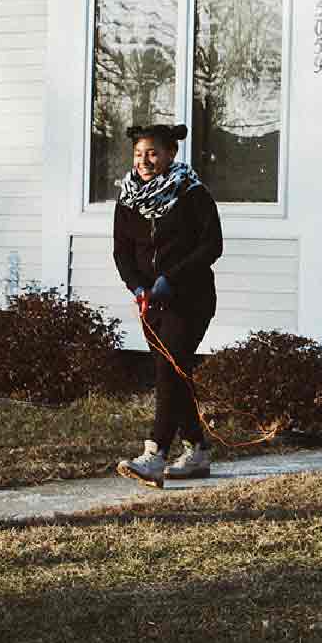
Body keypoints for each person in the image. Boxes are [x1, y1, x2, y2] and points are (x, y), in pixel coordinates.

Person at [111, 122, 224, 488]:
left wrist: (170, 278)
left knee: (167, 372)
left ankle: (154, 454)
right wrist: (138, 286)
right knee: (175, 372)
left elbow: (212, 246)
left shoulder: (192, 193)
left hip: (190, 298)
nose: (145, 161)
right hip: (151, 302)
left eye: (153, 153)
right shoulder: (128, 198)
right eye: (139, 154)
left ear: (171, 154)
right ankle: (197, 450)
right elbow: (122, 251)